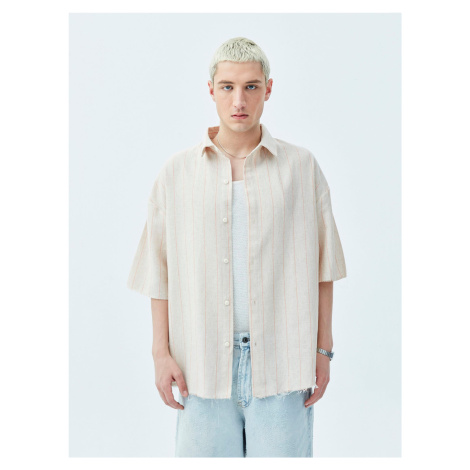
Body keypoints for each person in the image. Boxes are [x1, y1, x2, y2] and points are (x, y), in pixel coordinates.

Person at [127, 37, 347, 458]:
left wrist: (323, 351)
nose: (239, 100)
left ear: (268, 88)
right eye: (227, 87)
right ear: (211, 90)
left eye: (251, 87)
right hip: (200, 366)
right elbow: (158, 272)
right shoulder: (177, 173)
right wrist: (160, 353)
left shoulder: (301, 168)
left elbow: (324, 268)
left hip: (284, 364)